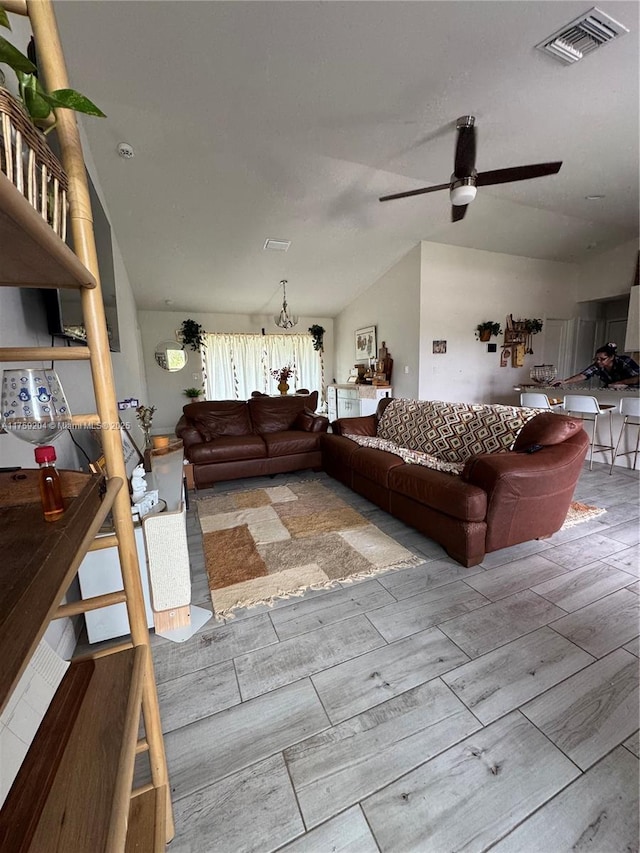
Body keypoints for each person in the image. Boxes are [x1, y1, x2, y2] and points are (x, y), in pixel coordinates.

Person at [555, 342, 639, 389]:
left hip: (633, 390)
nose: (598, 361)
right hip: (613, 389)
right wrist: (565, 381)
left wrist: (621, 382)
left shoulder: (624, 361)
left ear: (612, 357)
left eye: (602, 359)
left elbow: (638, 377)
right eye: (596, 359)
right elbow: (583, 375)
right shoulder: (598, 365)